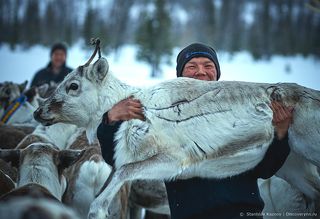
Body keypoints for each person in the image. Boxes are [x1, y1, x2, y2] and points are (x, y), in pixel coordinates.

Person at [97, 43, 293, 219]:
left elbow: (265, 169)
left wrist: (280, 134)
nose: (201, 71)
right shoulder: (160, 115)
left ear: (217, 73)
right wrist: (111, 120)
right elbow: (117, 157)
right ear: (180, 77)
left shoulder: (241, 111)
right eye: (192, 66)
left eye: (208, 65)